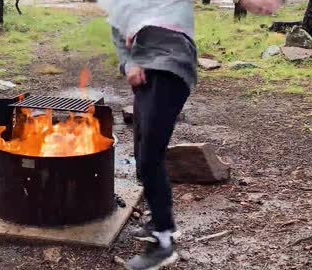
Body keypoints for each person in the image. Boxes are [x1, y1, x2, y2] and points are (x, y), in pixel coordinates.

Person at [97, 0, 281, 269]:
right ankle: (159, 221)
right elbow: (117, 34)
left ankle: (163, 242)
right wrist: (128, 65)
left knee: (150, 156)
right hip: (144, 72)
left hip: (170, 63)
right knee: (142, 152)